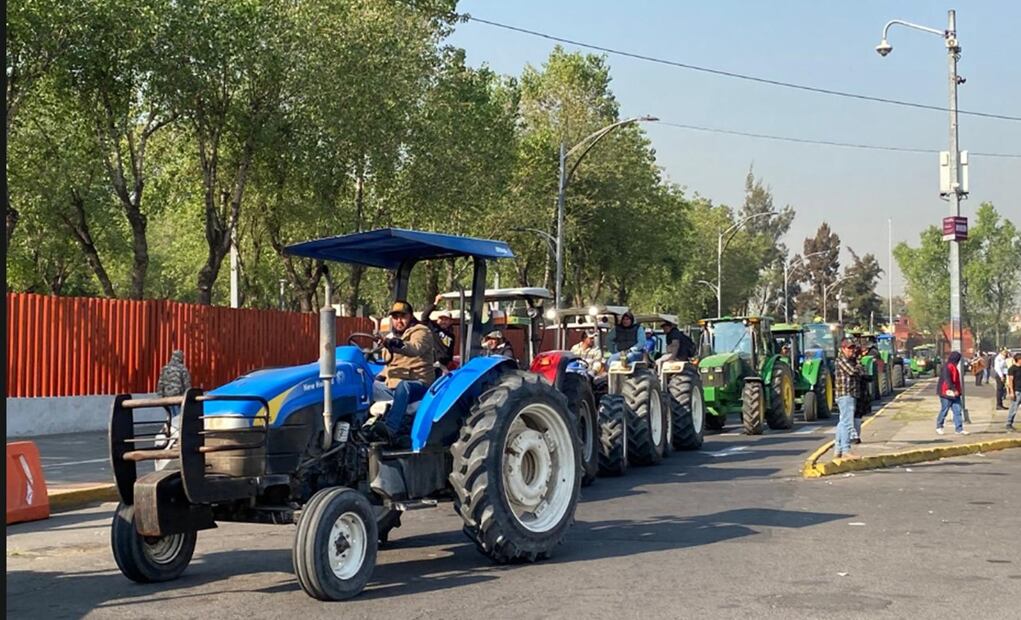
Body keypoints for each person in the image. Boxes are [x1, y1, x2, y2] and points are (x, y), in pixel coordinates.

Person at [377, 300, 437, 438]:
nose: (399, 321)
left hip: (418, 383)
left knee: (404, 386)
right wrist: (379, 376)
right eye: (395, 317)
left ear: (410, 316)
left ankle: (391, 429)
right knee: (364, 384)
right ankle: (363, 426)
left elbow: (414, 348)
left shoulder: (421, 331)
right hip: (392, 386)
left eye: (403, 317)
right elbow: (390, 364)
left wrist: (394, 343)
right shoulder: (390, 336)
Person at [833, 338, 862, 460]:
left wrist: (859, 367)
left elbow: (862, 370)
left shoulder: (851, 360)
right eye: (849, 348)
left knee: (842, 422)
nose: (852, 351)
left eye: (853, 348)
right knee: (847, 422)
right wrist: (859, 367)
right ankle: (846, 450)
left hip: (851, 394)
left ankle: (838, 449)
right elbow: (853, 371)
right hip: (845, 394)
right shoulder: (841, 360)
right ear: (843, 349)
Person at [936, 351, 968, 436]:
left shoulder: (953, 366)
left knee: (957, 410)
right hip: (946, 392)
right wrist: (954, 389)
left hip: (954, 393)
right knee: (944, 410)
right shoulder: (947, 367)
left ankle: (959, 429)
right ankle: (939, 426)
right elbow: (948, 380)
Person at [420, 294, 456, 367]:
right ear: (438, 320)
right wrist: (435, 303)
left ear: (450, 321)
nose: (443, 321)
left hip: (446, 366)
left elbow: (450, 351)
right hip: (435, 364)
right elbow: (424, 317)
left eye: (446, 319)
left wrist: (450, 361)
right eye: (441, 319)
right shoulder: (434, 329)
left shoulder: (451, 335)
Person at [1005, 353, 1021, 432]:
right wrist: (1011, 391)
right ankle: (1009, 423)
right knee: (1014, 408)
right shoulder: (1012, 369)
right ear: (1018, 360)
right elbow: (1010, 381)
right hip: (1017, 390)